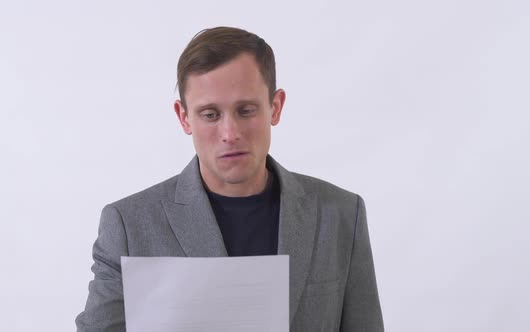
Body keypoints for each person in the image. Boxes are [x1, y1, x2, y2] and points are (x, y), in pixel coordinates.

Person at [76, 26, 384, 331]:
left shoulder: (342, 213)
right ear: (184, 118)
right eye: (210, 114)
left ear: (274, 108)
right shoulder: (127, 224)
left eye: (246, 110)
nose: (230, 134)